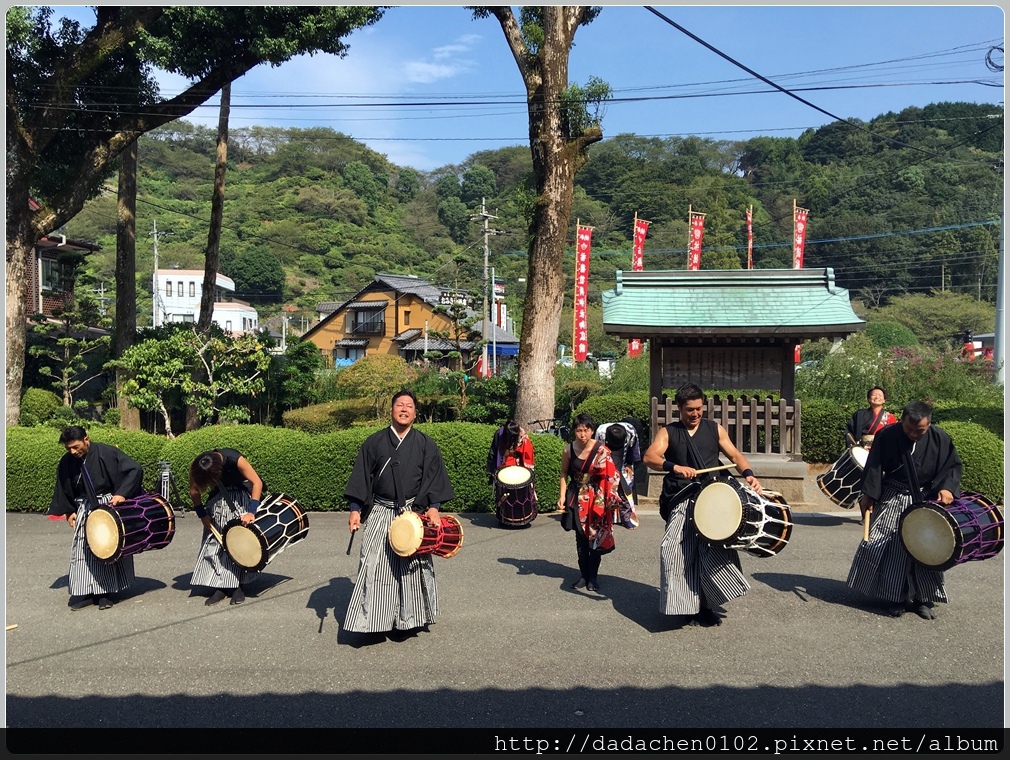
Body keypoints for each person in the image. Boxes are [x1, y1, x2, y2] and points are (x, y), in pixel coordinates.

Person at [643, 384, 764, 627]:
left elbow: (735, 456)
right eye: (690, 410)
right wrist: (674, 467)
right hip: (683, 497)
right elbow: (650, 457)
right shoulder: (669, 432)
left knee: (713, 551)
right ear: (679, 408)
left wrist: (749, 473)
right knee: (673, 549)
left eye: (699, 408)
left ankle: (707, 606)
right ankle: (684, 605)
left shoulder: (714, 429)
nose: (695, 413)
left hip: (712, 497)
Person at [344, 389, 455, 636]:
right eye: (399, 405)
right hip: (381, 510)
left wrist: (434, 508)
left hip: (412, 513)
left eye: (409, 406)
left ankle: (409, 620)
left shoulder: (426, 445)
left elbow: (434, 479)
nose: (404, 409)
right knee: (373, 563)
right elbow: (361, 478)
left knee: (413, 567)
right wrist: (354, 510)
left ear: (415, 413)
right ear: (391, 410)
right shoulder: (373, 443)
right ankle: (372, 621)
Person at [847, 401, 962, 620]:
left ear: (929, 424)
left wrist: (947, 488)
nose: (913, 434)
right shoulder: (887, 435)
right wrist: (869, 495)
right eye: (909, 428)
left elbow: (952, 466)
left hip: (926, 496)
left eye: (920, 430)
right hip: (894, 493)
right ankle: (895, 597)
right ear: (902, 420)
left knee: (927, 546)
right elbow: (874, 466)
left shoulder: (940, 438)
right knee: (891, 545)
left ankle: (923, 598)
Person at [48, 426, 144, 611]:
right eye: (69, 448)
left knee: (106, 547)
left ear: (86, 439)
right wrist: (69, 511)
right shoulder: (67, 461)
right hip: (84, 507)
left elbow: (135, 469)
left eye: (76, 447)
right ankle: (88, 591)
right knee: (84, 550)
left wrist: (122, 493)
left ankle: (105, 593)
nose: (73, 451)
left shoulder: (106, 453)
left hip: (107, 505)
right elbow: (64, 486)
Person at [556, 413, 623, 594]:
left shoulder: (601, 450)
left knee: (594, 536)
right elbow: (563, 473)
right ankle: (583, 575)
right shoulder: (568, 450)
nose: (582, 434)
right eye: (579, 430)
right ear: (574, 431)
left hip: (597, 498)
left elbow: (611, 476)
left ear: (592, 431)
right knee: (581, 538)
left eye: (586, 430)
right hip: (577, 497)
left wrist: (611, 503)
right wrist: (562, 496)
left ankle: (593, 577)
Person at [189, 448, 264, 606]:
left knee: (236, 542)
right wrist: (202, 514)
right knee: (216, 542)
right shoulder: (198, 465)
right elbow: (194, 490)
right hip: (217, 500)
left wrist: (251, 512)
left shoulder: (234, 459)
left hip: (239, 497)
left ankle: (238, 586)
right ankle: (221, 587)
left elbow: (257, 482)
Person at [485, 419, 537, 527]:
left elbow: (527, 456)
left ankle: (522, 517)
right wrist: (492, 471)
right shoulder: (499, 434)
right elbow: (493, 453)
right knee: (504, 494)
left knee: (520, 492)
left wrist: (526, 472)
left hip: (518, 467)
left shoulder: (524, 438)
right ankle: (505, 517)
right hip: (503, 466)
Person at [595, 421, 641, 529]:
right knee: (607, 487)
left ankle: (626, 517)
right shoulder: (601, 432)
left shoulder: (630, 432)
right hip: (606, 456)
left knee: (625, 487)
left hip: (624, 457)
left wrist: (629, 463)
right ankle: (607, 518)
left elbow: (633, 449)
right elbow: (597, 452)